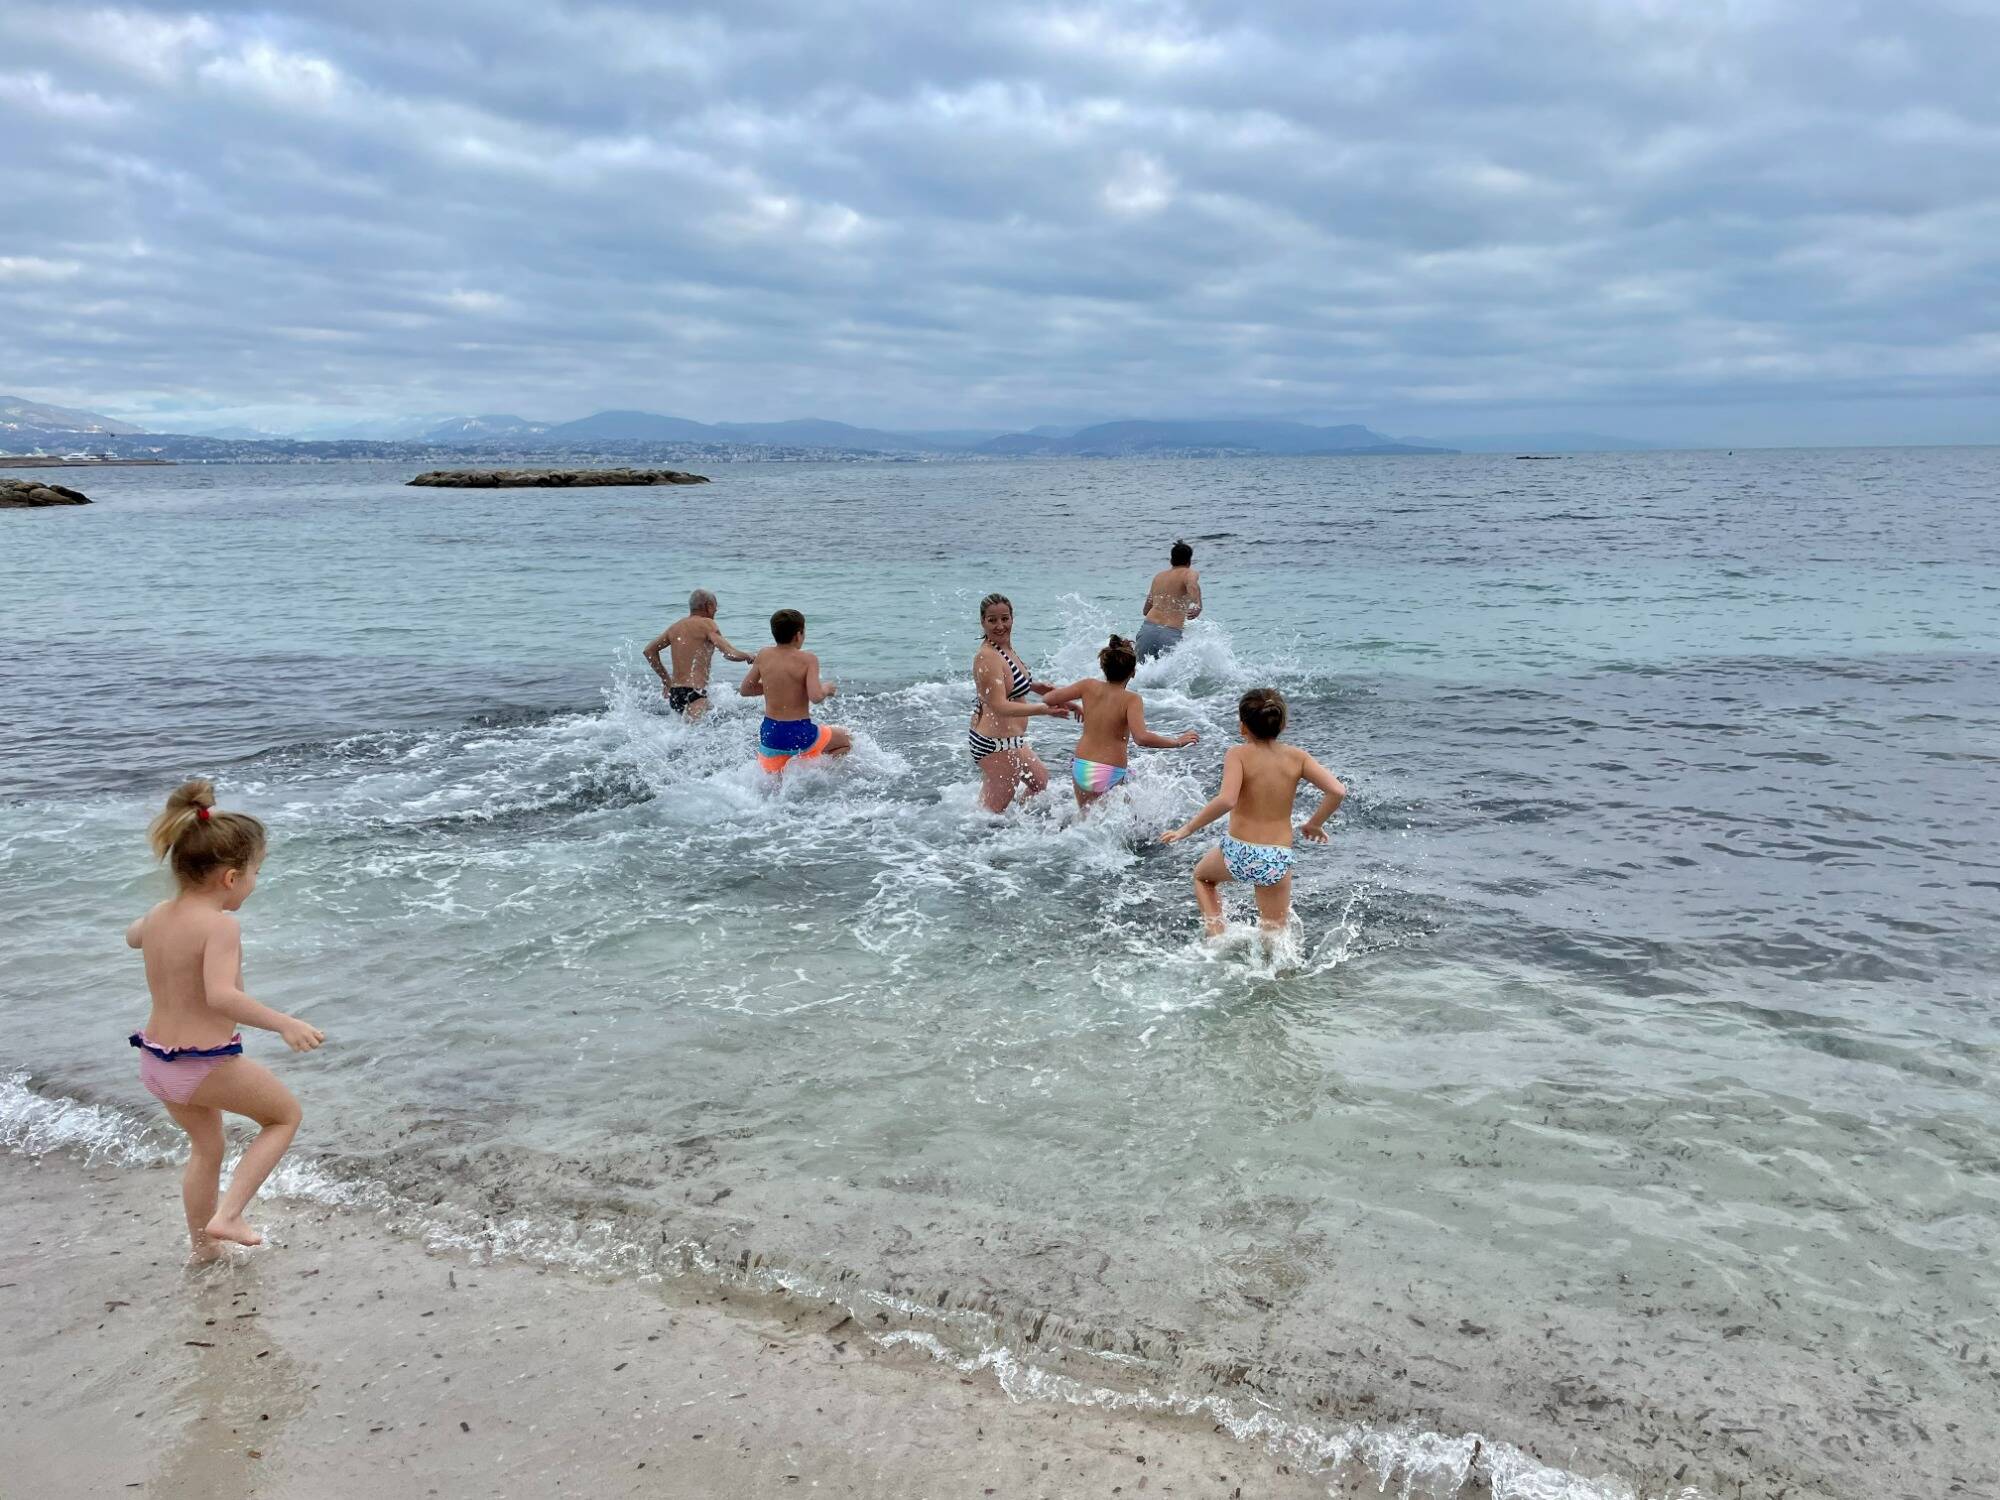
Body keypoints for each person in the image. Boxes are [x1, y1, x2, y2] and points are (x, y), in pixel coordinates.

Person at [125, 780, 325, 1259]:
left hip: (156, 1062)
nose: (255, 882)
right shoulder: (221, 925)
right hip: (202, 1064)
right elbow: (221, 996)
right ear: (231, 878)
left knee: (207, 1148)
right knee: (283, 1117)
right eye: (256, 872)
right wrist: (283, 1023)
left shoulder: (157, 914)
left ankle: (203, 1250)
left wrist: (161, 925)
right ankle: (229, 1215)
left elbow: (133, 937)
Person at [1161, 688, 1346, 937]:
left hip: (1238, 852)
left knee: (1203, 879)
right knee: (1274, 935)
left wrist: (1187, 828)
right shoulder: (1298, 758)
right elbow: (1337, 791)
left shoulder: (1237, 754)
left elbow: (1227, 800)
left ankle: (1217, 939)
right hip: (1276, 857)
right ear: (1283, 724)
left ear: (1242, 727)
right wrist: (1314, 824)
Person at [1041, 634, 1199, 810]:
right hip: (1109, 771)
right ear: (1133, 672)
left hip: (1081, 767)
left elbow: (1049, 698)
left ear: (1103, 667)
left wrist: (1073, 706)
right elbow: (1141, 738)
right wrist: (1177, 742)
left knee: (1084, 819)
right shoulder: (1131, 699)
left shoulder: (1087, 686)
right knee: (1119, 821)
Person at [967, 592, 1071, 812]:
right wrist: (1044, 709)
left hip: (1011, 740)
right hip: (994, 743)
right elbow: (999, 705)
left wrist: (1034, 686)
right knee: (989, 817)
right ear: (982, 622)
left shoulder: (1004, 648)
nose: (1000, 626)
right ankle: (978, 842)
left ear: (1012, 618)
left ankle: (1020, 827)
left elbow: (1007, 680)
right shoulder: (987, 656)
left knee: (1039, 781)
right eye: (992, 620)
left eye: (1005, 618)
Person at [741, 608, 852, 771]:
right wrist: (827, 689)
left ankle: (788, 774)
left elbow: (745, 689)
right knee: (846, 741)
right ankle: (815, 773)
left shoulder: (764, 654)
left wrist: (777, 688)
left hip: (770, 734)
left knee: (779, 768)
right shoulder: (808, 659)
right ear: (799, 635)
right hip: (799, 733)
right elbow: (815, 696)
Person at [643, 589, 755, 720]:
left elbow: (649, 651)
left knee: (685, 729)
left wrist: (666, 680)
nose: (716, 610)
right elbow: (729, 653)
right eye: (715, 605)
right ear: (708, 606)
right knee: (695, 734)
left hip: (675, 693)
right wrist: (749, 656)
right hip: (695, 692)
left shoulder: (675, 627)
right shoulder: (708, 624)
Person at [1135, 540, 1202, 663]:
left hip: (1147, 629)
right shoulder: (1189, 573)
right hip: (1170, 632)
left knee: (1139, 672)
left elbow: (1146, 610)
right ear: (1189, 561)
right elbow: (1192, 586)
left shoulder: (1159, 576)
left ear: (1171, 560)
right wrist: (1197, 605)